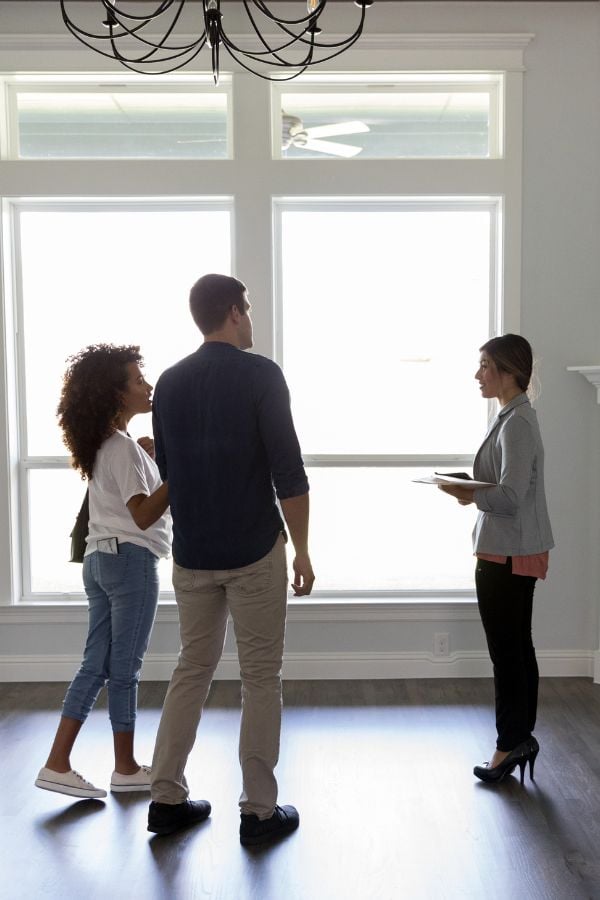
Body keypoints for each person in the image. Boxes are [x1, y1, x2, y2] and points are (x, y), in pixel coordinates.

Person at [147, 273, 314, 846]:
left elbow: (171, 470)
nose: (251, 319)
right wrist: (305, 549)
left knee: (191, 670)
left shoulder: (168, 383)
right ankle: (259, 811)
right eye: (247, 309)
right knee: (260, 676)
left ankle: (165, 798)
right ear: (234, 313)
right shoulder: (262, 374)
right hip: (252, 551)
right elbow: (288, 471)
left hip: (192, 555)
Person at [35, 344, 171, 799]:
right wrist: (179, 474)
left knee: (95, 665)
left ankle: (57, 762)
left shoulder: (107, 447)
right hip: (129, 561)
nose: (147, 386)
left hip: (98, 561)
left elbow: (120, 498)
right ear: (116, 394)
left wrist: (149, 459)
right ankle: (127, 768)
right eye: (137, 380)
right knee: (125, 669)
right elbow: (143, 515)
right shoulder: (123, 449)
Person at [439, 334, 554, 784]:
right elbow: (506, 489)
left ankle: (509, 745)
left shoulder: (518, 422)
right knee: (516, 648)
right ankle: (518, 737)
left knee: (507, 652)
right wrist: (469, 489)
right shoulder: (511, 417)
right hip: (510, 547)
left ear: (508, 370)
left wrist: (468, 492)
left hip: (508, 551)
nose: (478, 374)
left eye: (485, 365)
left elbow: (509, 496)